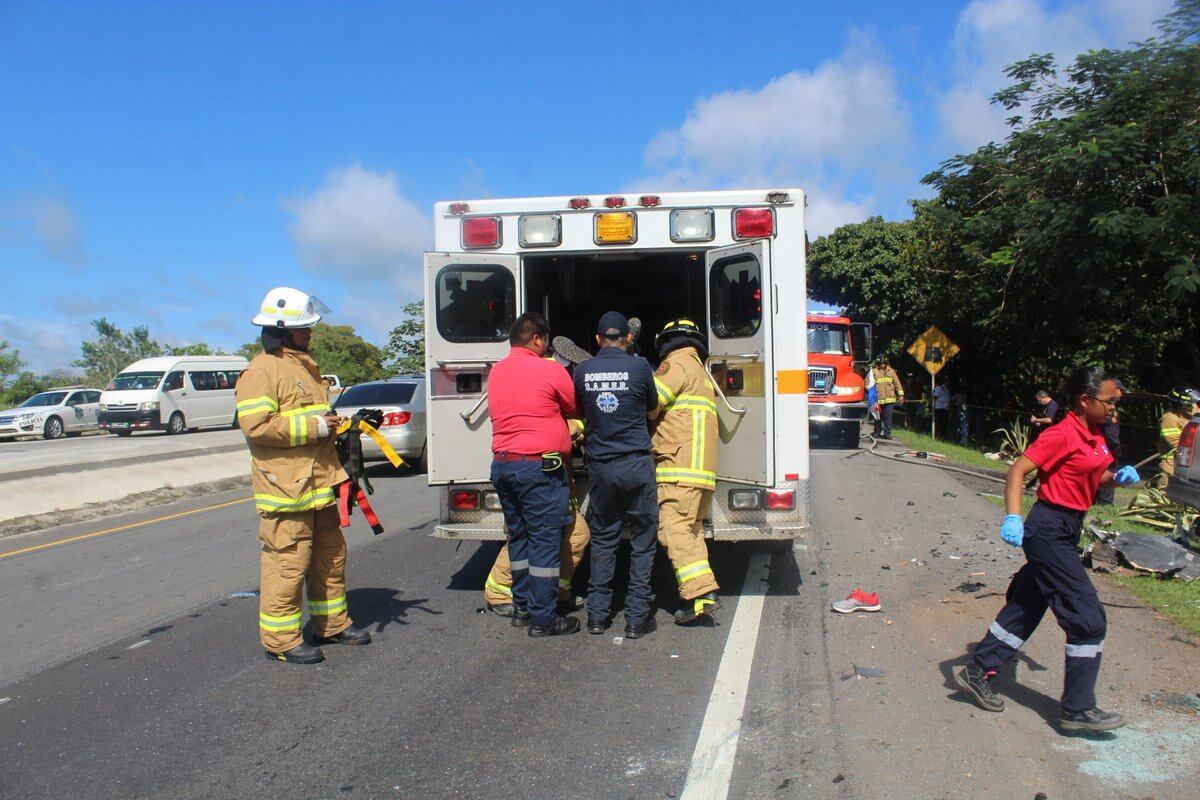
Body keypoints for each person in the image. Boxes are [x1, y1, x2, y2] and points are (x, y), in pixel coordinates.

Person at [955, 366, 1140, 732]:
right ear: (1085, 401)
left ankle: (978, 669)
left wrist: (1116, 478)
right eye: (1110, 402)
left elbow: (1093, 475)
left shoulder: (1095, 434)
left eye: (1117, 402)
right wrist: (1013, 517)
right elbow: (1017, 470)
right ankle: (1077, 709)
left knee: (1028, 602)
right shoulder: (1062, 433)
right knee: (1087, 619)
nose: (1115, 408)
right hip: (1048, 528)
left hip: (1069, 527)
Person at [235, 287, 371, 665]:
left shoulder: (303, 368)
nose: (312, 332)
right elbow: (257, 426)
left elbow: (313, 420)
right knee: (288, 562)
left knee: (330, 556)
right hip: (286, 488)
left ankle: (332, 624)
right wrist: (316, 428)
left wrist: (338, 427)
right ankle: (281, 641)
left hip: (320, 483)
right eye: (305, 327)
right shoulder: (262, 371)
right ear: (283, 329)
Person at [487, 312, 580, 637]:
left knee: (520, 538)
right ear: (539, 339)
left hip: (503, 465)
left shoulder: (497, 372)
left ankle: (523, 608)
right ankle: (544, 619)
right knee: (544, 541)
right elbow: (574, 406)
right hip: (538, 469)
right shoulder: (549, 369)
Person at [573, 311, 660, 638]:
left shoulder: (582, 371)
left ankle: (597, 616)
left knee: (604, 539)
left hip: (602, 467)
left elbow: (581, 411)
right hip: (636, 464)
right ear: (627, 338)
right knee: (642, 540)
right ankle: (637, 618)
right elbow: (653, 410)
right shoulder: (640, 367)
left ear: (597, 339)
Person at [650, 319, 721, 625]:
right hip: (700, 473)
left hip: (678, 470)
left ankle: (700, 592)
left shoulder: (676, 365)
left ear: (669, 341)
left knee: (672, 529)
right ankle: (701, 599)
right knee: (690, 532)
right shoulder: (703, 374)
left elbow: (649, 403)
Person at [484, 419, 590, 616]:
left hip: (555, 482)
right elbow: (561, 428)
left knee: (577, 535)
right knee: (527, 538)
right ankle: (499, 592)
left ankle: (555, 591)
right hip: (537, 479)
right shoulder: (540, 401)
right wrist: (582, 424)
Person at [1153, 386, 1200, 489]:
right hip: (1172, 458)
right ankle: (1161, 500)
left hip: (1191, 456)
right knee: (1166, 483)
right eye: (1188, 403)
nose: (1192, 405)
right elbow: (1175, 442)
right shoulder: (1169, 418)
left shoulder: (1192, 408)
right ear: (1180, 403)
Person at [871, 356, 904, 439]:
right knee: (877, 417)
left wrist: (901, 395)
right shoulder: (873, 372)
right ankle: (877, 432)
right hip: (877, 400)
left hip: (889, 399)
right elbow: (868, 384)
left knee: (888, 418)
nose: (883, 365)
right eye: (881, 363)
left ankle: (887, 434)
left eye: (884, 363)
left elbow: (897, 384)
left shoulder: (891, 371)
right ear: (878, 363)